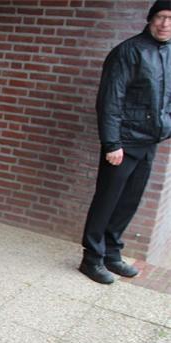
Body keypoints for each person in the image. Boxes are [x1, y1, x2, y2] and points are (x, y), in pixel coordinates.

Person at [80, 0, 171, 284]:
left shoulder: (168, 52)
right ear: (150, 18)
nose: (165, 24)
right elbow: (110, 100)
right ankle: (91, 259)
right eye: (161, 16)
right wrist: (112, 143)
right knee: (107, 201)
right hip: (123, 143)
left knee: (128, 202)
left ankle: (112, 253)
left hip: (149, 142)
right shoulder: (128, 51)